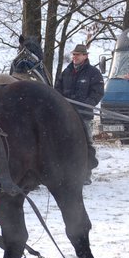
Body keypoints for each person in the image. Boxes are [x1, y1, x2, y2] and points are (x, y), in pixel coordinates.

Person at [54, 43, 104, 184]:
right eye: (73, 54)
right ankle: (65, 173)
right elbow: (57, 89)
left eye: (78, 55)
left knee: (84, 145)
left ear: (85, 56)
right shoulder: (66, 72)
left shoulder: (93, 73)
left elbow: (98, 92)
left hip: (84, 116)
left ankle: (85, 174)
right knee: (64, 145)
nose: (75, 57)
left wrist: (88, 104)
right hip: (65, 116)